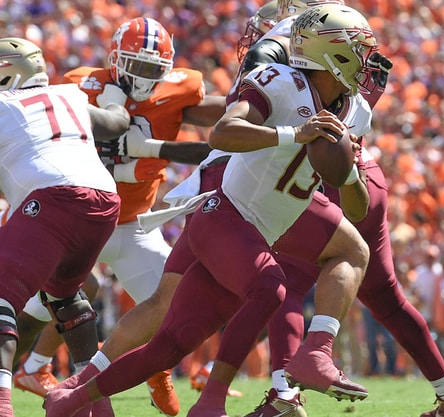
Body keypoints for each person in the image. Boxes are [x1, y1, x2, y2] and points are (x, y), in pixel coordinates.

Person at [43, 4, 375, 417]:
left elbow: (357, 208)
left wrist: (349, 173)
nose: (367, 62)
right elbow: (223, 131)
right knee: (270, 287)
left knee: (169, 345)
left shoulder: (358, 112)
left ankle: (69, 400)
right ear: (332, 52)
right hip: (225, 214)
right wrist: (296, 133)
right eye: (358, 50)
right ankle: (218, 400)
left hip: (259, 230)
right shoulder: (284, 81)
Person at [237, 1, 444, 416]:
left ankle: (285, 395)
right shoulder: (325, 71)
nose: (269, 36)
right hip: (353, 175)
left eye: (279, 28)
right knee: (386, 299)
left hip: (335, 181)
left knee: (287, 286)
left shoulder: (291, 68)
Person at [12, 16, 226, 416]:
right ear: (114, 57)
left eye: (152, 69)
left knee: (175, 301)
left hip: (134, 223)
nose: (144, 76)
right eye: (137, 64)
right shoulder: (83, 84)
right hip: (85, 218)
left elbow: (214, 115)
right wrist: (139, 152)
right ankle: (33, 368)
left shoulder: (180, 89)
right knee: (58, 299)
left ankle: (154, 369)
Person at [0, 37, 130, 416]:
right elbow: (116, 122)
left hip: (55, 198)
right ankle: (93, 405)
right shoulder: (70, 96)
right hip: (104, 201)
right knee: (66, 298)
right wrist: (115, 95)